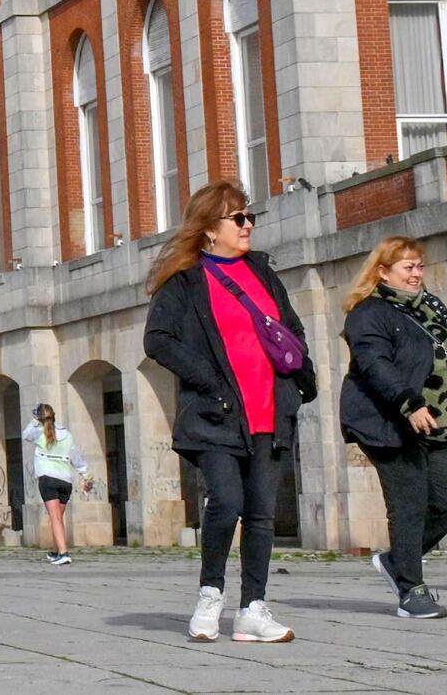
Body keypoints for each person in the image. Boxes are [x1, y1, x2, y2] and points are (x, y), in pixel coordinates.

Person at [144, 179, 315, 643]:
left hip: (269, 411)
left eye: (249, 215)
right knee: (227, 502)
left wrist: (302, 380)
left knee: (261, 513)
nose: (248, 225)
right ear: (208, 230)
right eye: (237, 218)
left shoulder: (262, 272)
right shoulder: (186, 280)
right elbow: (158, 340)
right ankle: (210, 595)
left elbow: (290, 328)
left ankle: (252, 609)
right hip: (217, 414)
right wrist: (211, 381)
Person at [340, 236, 447, 620]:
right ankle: (411, 591)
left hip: (441, 422)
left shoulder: (431, 305)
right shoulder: (368, 313)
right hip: (389, 422)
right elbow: (375, 365)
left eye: (419, 266)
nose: (417, 274)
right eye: (408, 267)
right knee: (409, 505)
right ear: (383, 272)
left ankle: (395, 560)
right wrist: (409, 403)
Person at [22, 403, 94, 565]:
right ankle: (55, 551)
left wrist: (34, 421)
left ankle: (64, 553)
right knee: (59, 518)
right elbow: (76, 457)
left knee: (54, 517)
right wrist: (85, 475)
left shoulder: (39, 433)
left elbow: (25, 435)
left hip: (48, 479)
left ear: (39, 417)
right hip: (65, 480)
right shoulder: (67, 434)